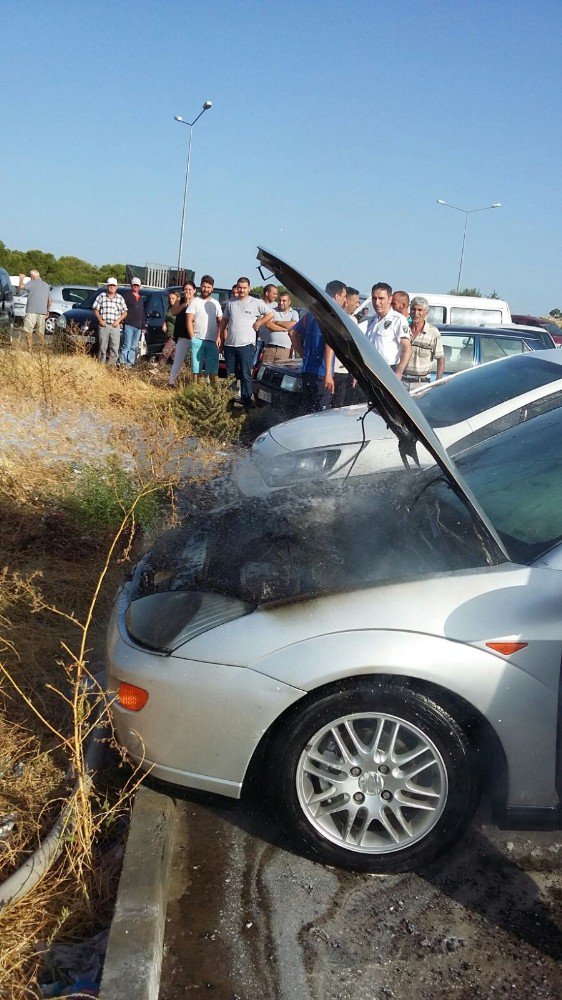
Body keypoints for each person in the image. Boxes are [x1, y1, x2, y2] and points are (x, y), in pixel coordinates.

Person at [290, 280, 347, 413]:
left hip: (306, 370)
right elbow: (329, 344)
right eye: (344, 296)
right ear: (337, 296)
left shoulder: (312, 313)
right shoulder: (331, 317)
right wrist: (328, 374)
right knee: (321, 413)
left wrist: (304, 354)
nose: (345, 300)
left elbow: (292, 332)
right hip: (321, 374)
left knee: (307, 410)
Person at [219, 277, 273, 410]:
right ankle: (230, 399)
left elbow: (270, 314)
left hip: (246, 345)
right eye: (240, 287)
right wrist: (221, 338)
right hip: (230, 344)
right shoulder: (231, 303)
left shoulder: (255, 302)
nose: (242, 290)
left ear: (249, 288)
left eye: (244, 288)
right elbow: (224, 321)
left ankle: (246, 400)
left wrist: (259, 323)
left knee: (245, 374)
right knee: (230, 374)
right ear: (237, 288)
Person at [366, 282, 411, 379]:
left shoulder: (398, 319)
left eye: (381, 298)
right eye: (374, 298)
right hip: (369, 369)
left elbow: (407, 348)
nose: (377, 302)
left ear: (390, 299)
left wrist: (398, 372)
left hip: (388, 370)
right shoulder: (372, 320)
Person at [186, 274, 223, 384]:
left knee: (212, 369)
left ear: (212, 288)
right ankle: (195, 390)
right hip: (197, 339)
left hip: (212, 341)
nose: (206, 289)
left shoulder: (216, 304)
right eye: (204, 286)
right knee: (196, 369)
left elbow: (221, 322)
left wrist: (219, 337)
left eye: (208, 287)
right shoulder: (195, 302)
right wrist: (193, 338)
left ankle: (212, 392)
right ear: (200, 286)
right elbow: (188, 320)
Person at [403, 295, 445, 388]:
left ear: (426, 313)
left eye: (420, 310)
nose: (416, 313)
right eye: (413, 309)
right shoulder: (403, 329)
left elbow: (441, 360)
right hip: (402, 382)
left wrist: (438, 383)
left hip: (421, 384)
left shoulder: (433, 332)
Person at [167, 281, 196, 387]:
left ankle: (193, 383)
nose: (188, 292)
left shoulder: (198, 301)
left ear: (194, 290)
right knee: (178, 359)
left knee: (194, 362)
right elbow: (174, 312)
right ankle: (171, 382)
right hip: (183, 335)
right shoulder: (180, 300)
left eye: (190, 289)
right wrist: (185, 304)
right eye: (186, 289)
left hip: (194, 335)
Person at [93, 278, 127, 365]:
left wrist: (118, 321)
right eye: (110, 285)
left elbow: (125, 312)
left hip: (115, 326)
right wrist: (100, 320)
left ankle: (111, 367)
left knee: (114, 348)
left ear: (116, 287)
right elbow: (95, 309)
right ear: (107, 286)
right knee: (102, 347)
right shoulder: (101, 296)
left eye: (113, 285)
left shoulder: (120, 298)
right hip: (104, 325)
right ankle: (101, 365)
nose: (112, 287)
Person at [261, 291, 299, 365]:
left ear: (289, 302)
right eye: (279, 300)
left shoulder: (294, 313)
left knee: (279, 374)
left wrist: (277, 322)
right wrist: (284, 329)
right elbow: (268, 324)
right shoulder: (272, 311)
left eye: (284, 301)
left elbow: (293, 325)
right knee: (265, 373)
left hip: (284, 350)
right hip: (269, 348)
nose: (281, 303)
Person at [18, 269, 51, 348]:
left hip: (32, 311)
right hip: (42, 312)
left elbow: (21, 287)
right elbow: (50, 300)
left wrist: (21, 278)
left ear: (32, 276)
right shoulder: (46, 285)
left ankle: (29, 349)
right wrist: (48, 310)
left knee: (28, 331)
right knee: (40, 332)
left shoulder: (32, 282)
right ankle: (43, 348)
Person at [120, 277, 146, 367]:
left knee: (133, 346)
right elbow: (121, 310)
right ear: (131, 285)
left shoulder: (140, 298)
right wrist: (121, 321)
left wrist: (143, 326)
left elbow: (142, 312)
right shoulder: (126, 296)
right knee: (126, 345)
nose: (136, 287)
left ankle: (129, 363)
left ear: (139, 286)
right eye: (134, 285)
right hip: (129, 324)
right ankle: (122, 362)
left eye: (137, 285)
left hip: (138, 327)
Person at [253, 283, 279, 365]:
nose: (276, 296)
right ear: (267, 293)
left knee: (267, 364)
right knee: (253, 362)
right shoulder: (257, 304)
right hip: (259, 339)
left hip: (271, 340)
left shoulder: (277, 306)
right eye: (274, 293)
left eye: (276, 294)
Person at [161, 289, 180, 363]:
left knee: (165, 351)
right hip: (169, 333)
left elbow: (178, 321)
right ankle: (173, 370)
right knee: (173, 354)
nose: (171, 300)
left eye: (173, 298)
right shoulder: (169, 308)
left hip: (175, 335)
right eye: (170, 298)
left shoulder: (179, 309)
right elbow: (167, 317)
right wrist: (164, 323)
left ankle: (160, 367)